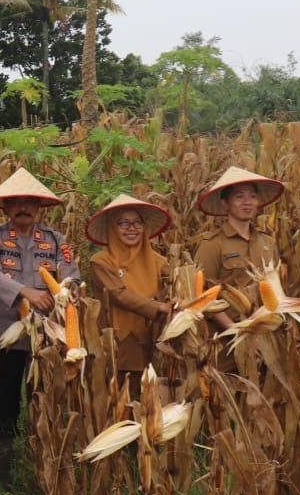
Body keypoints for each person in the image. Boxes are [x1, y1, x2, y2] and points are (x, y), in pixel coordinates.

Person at [0, 167, 78, 480]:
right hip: (4, 337)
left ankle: (43, 466)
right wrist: (28, 292)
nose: (23, 207)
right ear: (5, 207)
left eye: (29, 202)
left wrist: (63, 292)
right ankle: (3, 471)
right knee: (3, 405)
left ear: (39, 207)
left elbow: (72, 276)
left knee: (45, 400)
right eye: (16, 202)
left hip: (46, 339)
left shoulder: (56, 240)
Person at [86, 194, 173, 391]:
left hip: (155, 340)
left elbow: (173, 288)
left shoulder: (160, 262)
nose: (131, 228)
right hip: (118, 341)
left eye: (137, 223)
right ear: (112, 229)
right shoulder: (101, 262)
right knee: (124, 395)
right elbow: (119, 295)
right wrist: (157, 306)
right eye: (123, 223)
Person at [194, 166, 284, 332]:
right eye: (239, 196)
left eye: (252, 196)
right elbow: (203, 295)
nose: (247, 201)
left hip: (268, 333)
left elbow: (277, 287)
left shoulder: (268, 242)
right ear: (225, 203)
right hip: (228, 336)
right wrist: (235, 329)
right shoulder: (212, 245)